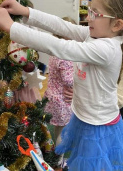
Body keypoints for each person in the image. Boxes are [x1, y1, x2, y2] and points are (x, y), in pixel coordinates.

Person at [0, 0, 123, 171]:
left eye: (95, 13)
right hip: (83, 115)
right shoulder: (94, 34)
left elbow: (59, 46)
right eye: (89, 11)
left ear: (117, 25)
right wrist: (25, 11)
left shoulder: (107, 49)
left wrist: (12, 27)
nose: (89, 18)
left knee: (91, 165)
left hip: (96, 124)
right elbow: (61, 26)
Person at [43, 17, 75, 166]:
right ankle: (59, 161)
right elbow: (69, 80)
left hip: (52, 97)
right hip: (62, 100)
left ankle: (57, 151)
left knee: (58, 128)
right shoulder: (65, 56)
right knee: (62, 130)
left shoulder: (55, 52)